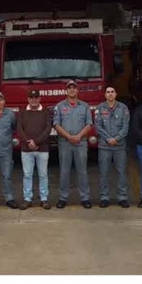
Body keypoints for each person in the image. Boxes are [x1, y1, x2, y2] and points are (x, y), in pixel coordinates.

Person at [53, 80, 93, 209]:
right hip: (65, 143)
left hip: (81, 143)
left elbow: (89, 124)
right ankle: (63, 198)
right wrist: (69, 137)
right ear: (66, 91)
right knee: (64, 171)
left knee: (82, 171)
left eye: (74, 88)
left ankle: (85, 198)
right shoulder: (59, 106)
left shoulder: (85, 106)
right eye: (69, 88)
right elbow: (56, 124)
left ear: (77, 90)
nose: (72, 90)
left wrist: (79, 136)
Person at [94, 86, 131, 208]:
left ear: (116, 94)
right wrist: (108, 139)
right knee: (104, 173)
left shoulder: (123, 108)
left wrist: (116, 139)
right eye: (108, 92)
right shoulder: (100, 108)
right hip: (104, 146)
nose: (110, 94)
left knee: (121, 172)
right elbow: (98, 126)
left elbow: (125, 126)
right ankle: (104, 197)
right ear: (105, 95)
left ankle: (122, 197)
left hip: (119, 146)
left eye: (112, 92)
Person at [17, 89, 52, 210]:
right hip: (26, 150)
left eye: (36, 97)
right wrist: (29, 142)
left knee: (43, 175)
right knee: (27, 175)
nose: (34, 100)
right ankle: (27, 199)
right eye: (31, 98)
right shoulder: (22, 113)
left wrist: (36, 142)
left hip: (42, 149)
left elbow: (48, 129)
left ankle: (44, 199)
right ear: (28, 99)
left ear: (39, 99)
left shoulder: (45, 112)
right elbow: (19, 129)